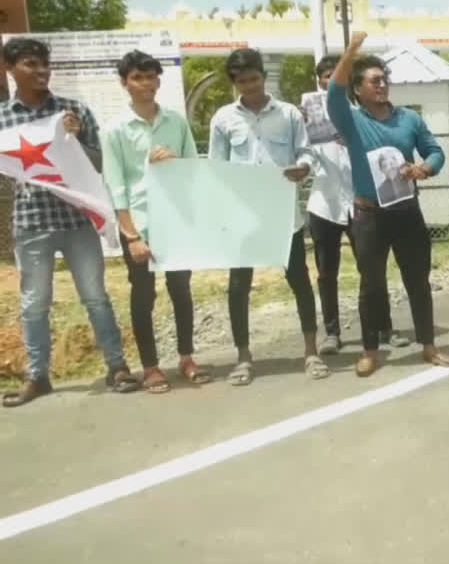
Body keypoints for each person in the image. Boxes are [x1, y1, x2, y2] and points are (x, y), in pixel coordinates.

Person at [1, 37, 136, 407]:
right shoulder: (3, 119)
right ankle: (38, 376)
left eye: (45, 63)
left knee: (96, 297)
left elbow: (101, 162)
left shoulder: (73, 111)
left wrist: (76, 141)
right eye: (31, 63)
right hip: (31, 222)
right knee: (34, 303)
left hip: (78, 219)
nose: (42, 70)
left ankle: (117, 367)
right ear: (9, 69)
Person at [325, 31, 449, 374]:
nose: (382, 86)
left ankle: (428, 345)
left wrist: (425, 167)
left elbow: (435, 151)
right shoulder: (350, 120)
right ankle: (370, 351)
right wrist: (351, 51)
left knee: (418, 280)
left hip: (407, 213)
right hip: (369, 216)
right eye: (374, 81)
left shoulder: (409, 119)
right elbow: (333, 91)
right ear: (358, 89)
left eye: (385, 80)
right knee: (371, 285)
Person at [99, 50, 210, 394]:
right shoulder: (116, 129)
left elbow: (193, 168)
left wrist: (174, 162)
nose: (146, 84)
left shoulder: (175, 122)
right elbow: (115, 186)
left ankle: (187, 358)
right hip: (140, 224)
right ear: (124, 83)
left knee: (182, 291)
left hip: (176, 220)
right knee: (143, 296)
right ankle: (150, 367)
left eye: (151, 76)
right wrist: (131, 236)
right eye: (138, 78)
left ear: (159, 80)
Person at [209, 48, 322, 384]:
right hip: (243, 215)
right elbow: (217, 167)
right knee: (239, 286)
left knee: (299, 280)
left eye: (254, 78)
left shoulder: (288, 114)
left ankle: (311, 352)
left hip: (283, 213)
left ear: (263, 76)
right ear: (235, 82)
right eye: (242, 81)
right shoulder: (223, 119)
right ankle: (243, 358)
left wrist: (303, 167)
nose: (250, 86)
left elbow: (306, 151)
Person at [302, 55, 410, 355]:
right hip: (324, 202)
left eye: (334, 75)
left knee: (371, 269)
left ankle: (383, 326)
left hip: (359, 201)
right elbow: (304, 155)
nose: (328, 80)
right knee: (326, 272)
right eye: (324, 75)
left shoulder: (357, 115)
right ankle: (333, 332)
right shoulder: (308, 114)